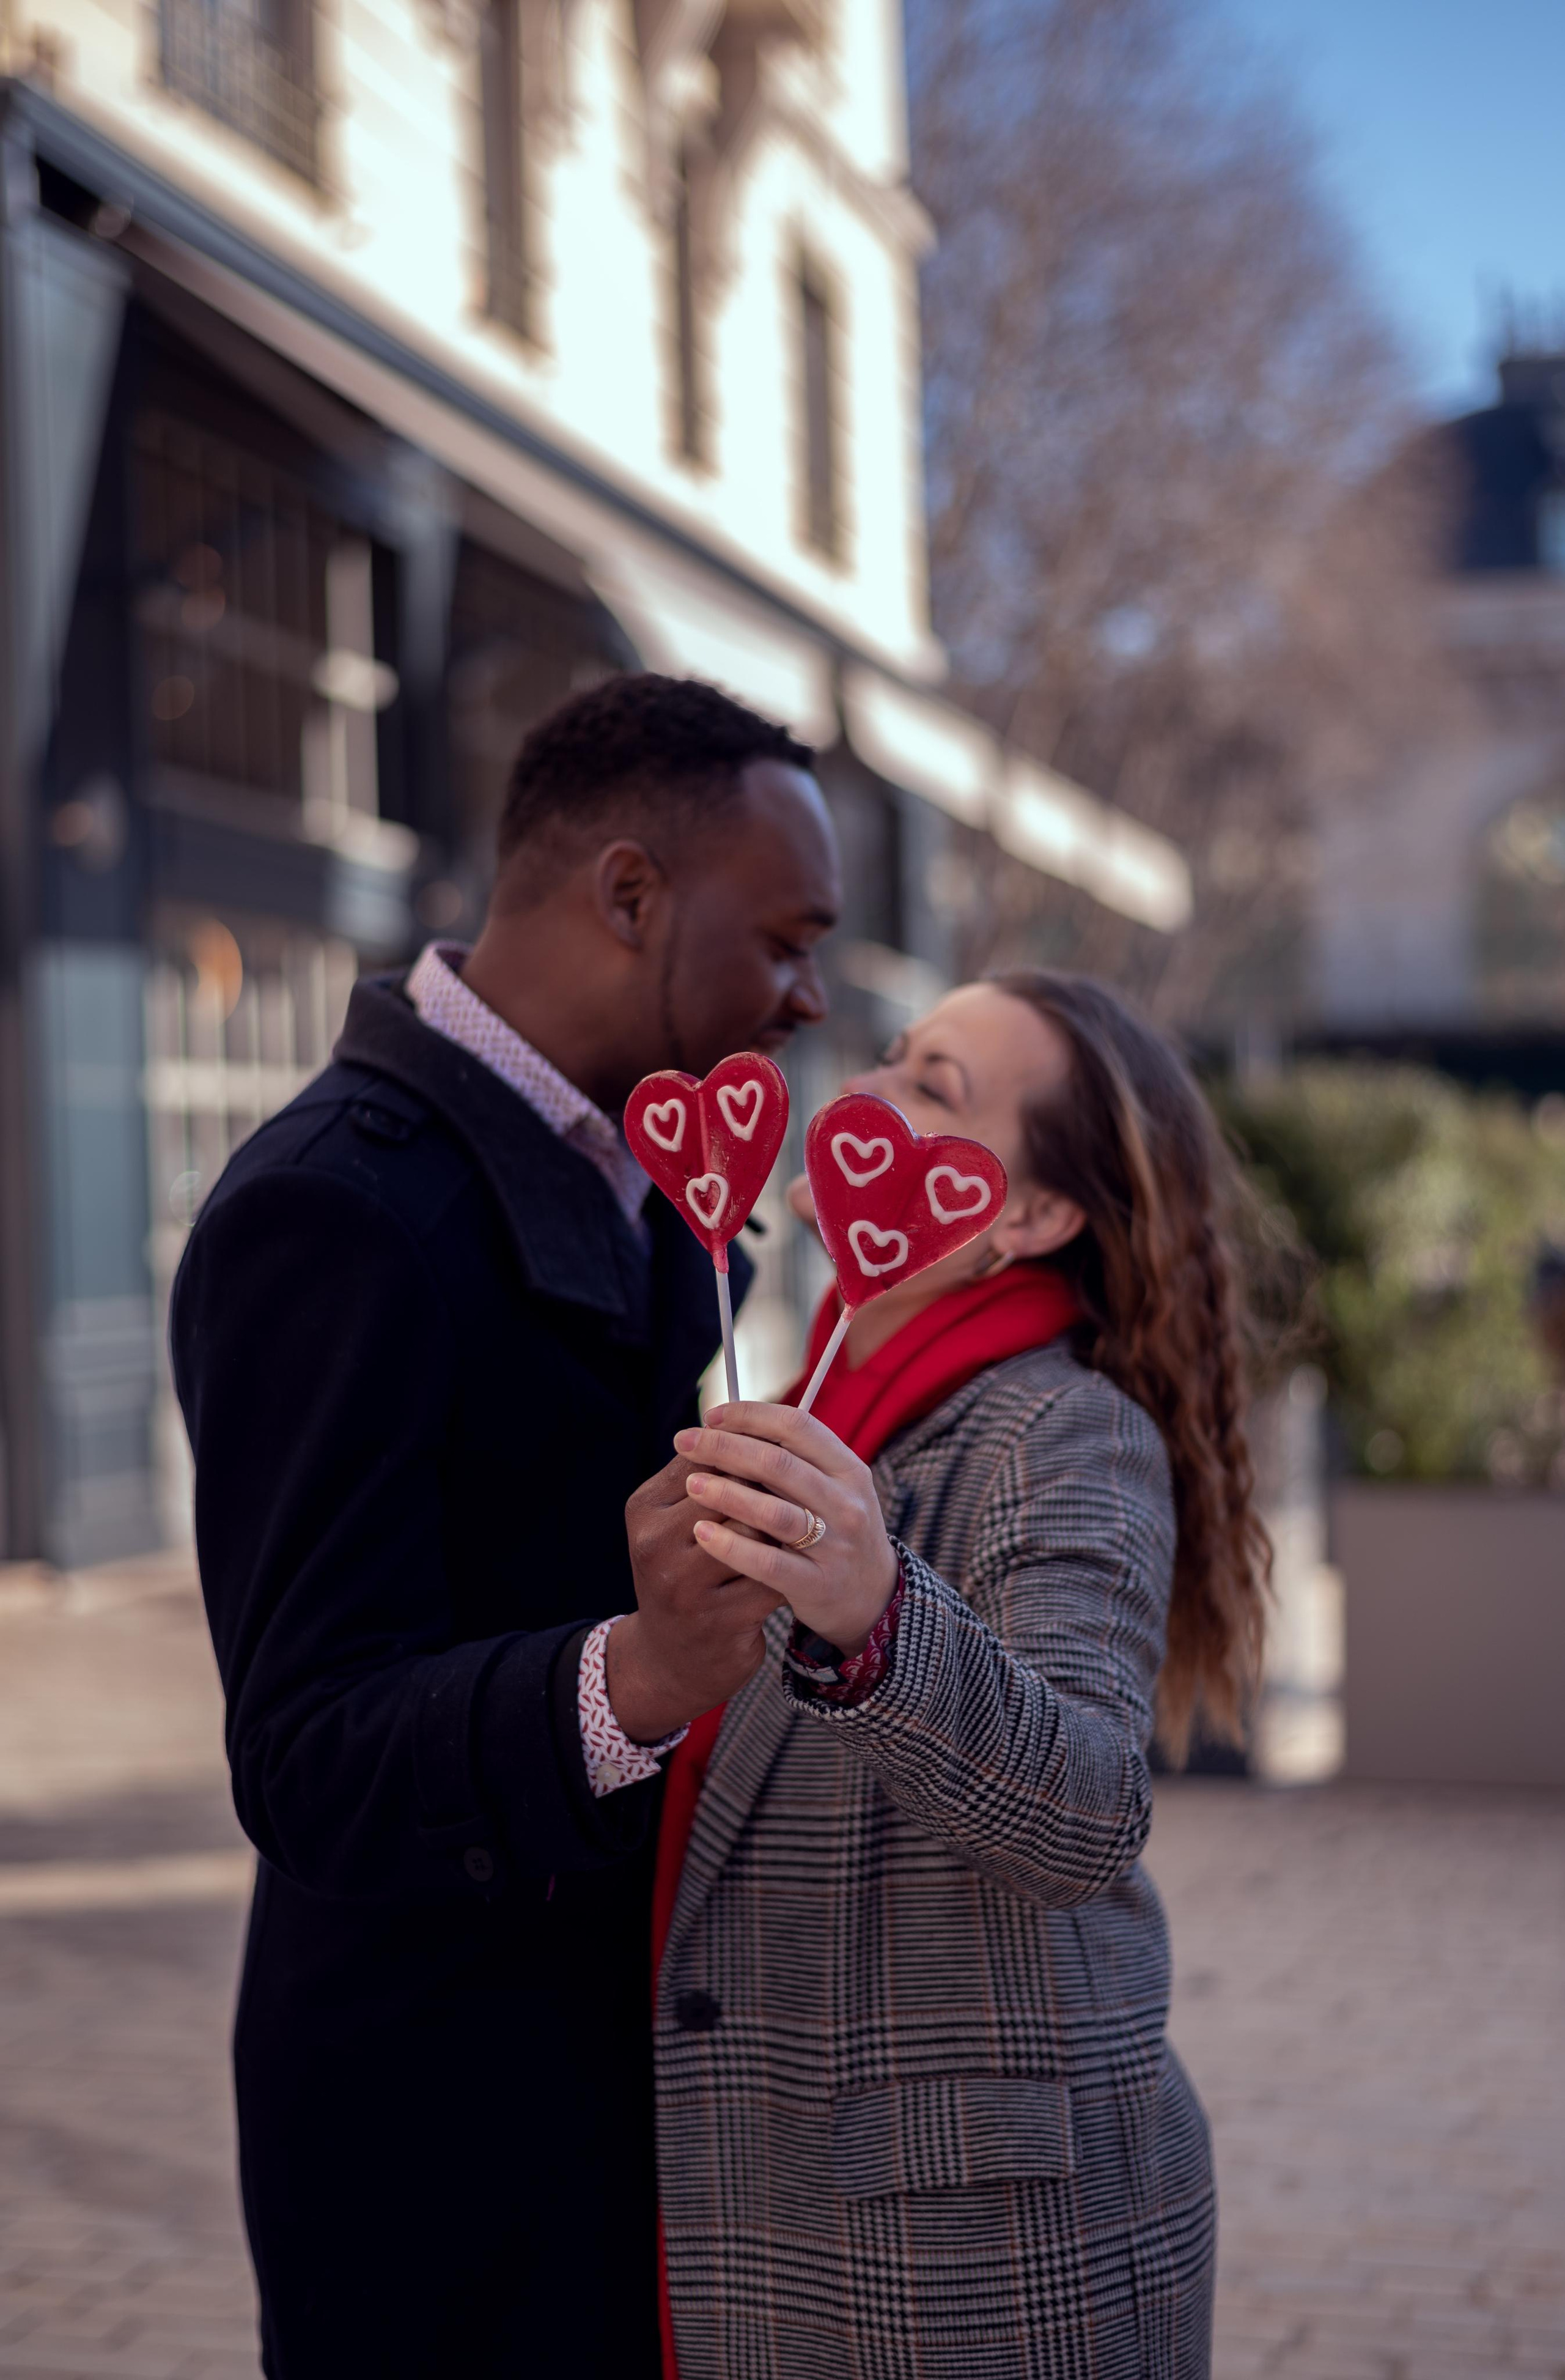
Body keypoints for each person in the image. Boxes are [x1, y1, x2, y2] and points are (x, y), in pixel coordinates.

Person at [169, 674, 841, 2378]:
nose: (811, 995)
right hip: (437, 2129)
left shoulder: (655, 1185)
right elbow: (305, 1750)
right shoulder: (330, 1207)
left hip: (635, 2082)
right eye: (783, 940)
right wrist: (638, 1670)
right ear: (629, 893)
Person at [646, 973, 1270, 2380]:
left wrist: (874, 1613)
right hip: (794, 2212)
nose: (867, 1093)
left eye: (934, 1087)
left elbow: (1085, 1809)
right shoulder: (808, 1410)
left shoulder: (1063, 1432)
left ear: (1028, 1217)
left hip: (975, 2255)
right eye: (890, 1056)